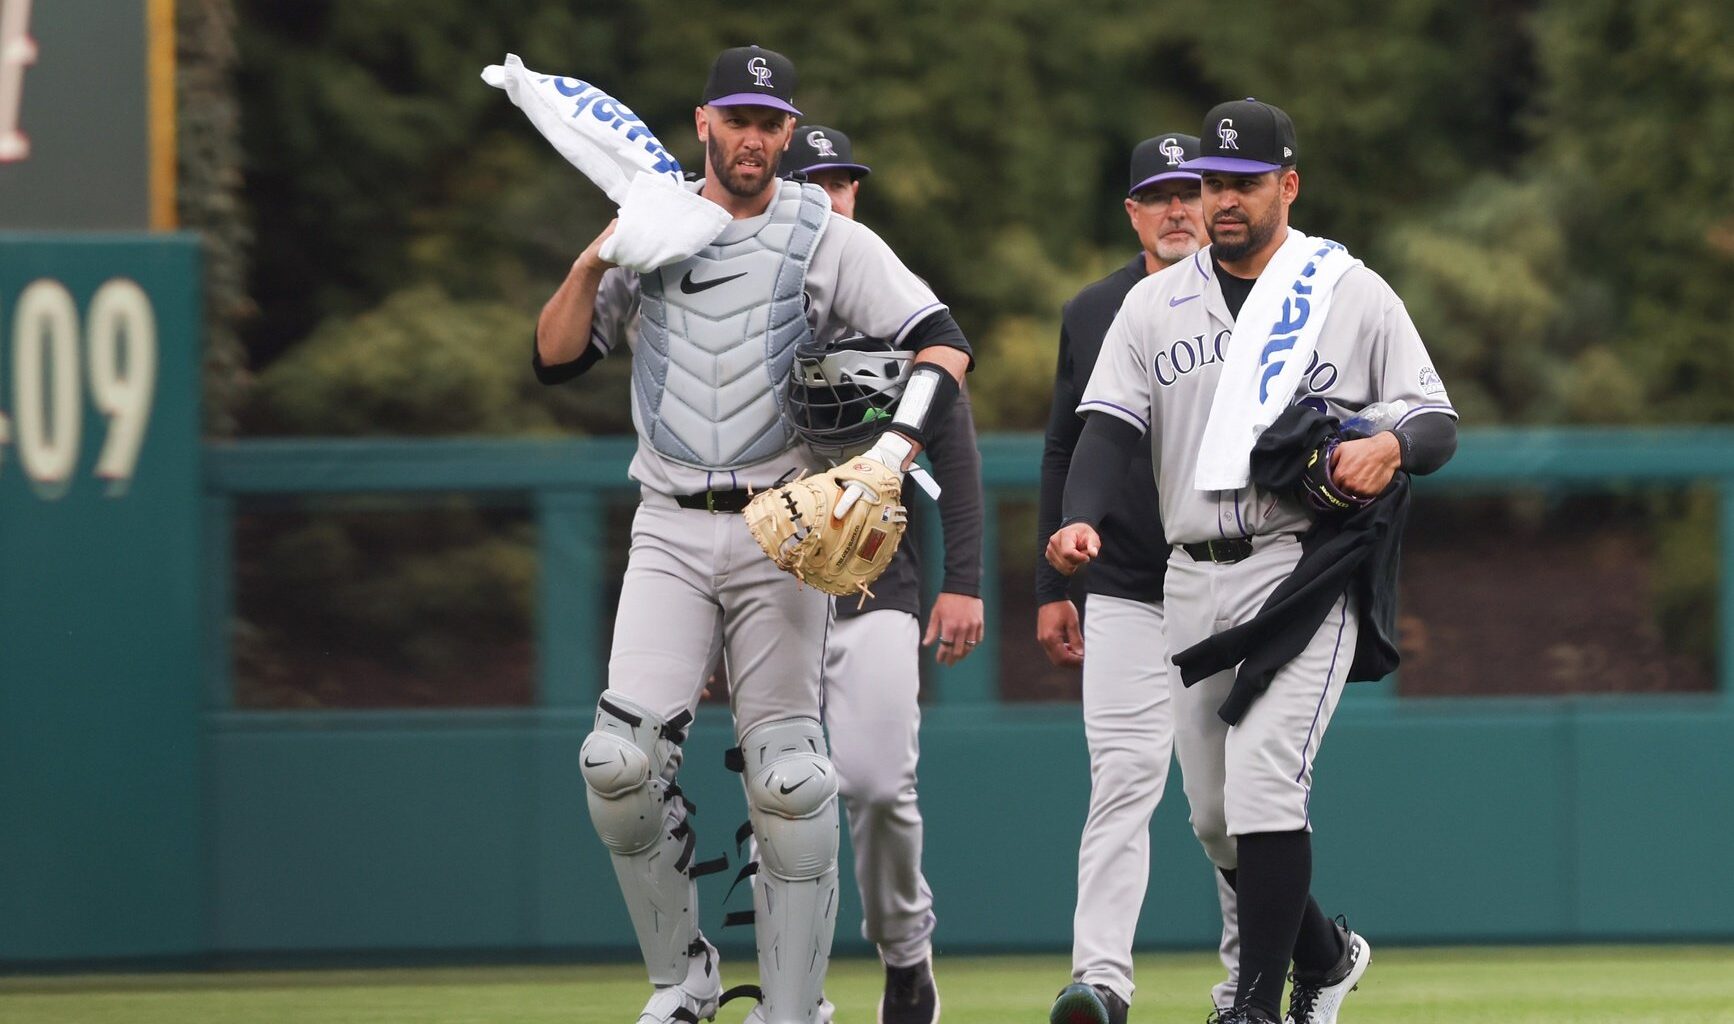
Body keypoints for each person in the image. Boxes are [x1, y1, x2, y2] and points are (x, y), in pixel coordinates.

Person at [535, 46, 973, 1024]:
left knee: (792, 782)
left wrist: (891, 451)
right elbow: (556, 357)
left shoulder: (826, 235)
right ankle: (682, 977)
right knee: (617, 765)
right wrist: (599, 251)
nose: (753, 137)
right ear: (702, 123)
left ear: (786, 131)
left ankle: (793, 1006)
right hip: (669, 523)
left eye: (770, 123)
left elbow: (943, 340)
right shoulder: (656, 225)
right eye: (737, 118)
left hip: (783, 524)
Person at [1047, 98, 1458, 1024]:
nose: (1224, 199)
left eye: (1245, 182)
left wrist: (1389, 448)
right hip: (1192, 572)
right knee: (1213, 817)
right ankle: (1325, 953)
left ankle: (1254, 1008)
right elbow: (1106, 433)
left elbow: (1435, 419)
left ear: (1289, 185)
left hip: (1304, 568)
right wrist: (1080, 522)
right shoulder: (1154, 304)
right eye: (1214, 183)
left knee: (1269, 779)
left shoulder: (1344, 289)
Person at [779, 123, 985, 1024]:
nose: (832, 197)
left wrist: (964, 578)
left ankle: (906, 956)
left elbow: (957, 451)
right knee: (781, 799)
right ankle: (794, 991)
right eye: (813, 181)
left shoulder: (894, 308)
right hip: (769, 594)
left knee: (872, 783)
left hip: (878, 586)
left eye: (844, 182)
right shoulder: (743, 309)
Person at [1037, 132, 1242, 1024]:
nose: (1177, 209)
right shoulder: (1093, 311)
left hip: (1233, 581)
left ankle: (1249, 977)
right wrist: (1053, 587)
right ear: (1133, 212)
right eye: (1158, 195)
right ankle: (1102, 981)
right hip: (1123, 579)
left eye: (1191, 191)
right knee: (1121, 778)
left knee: (1230, 800)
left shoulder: (1257, 302)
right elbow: (1062, 449)